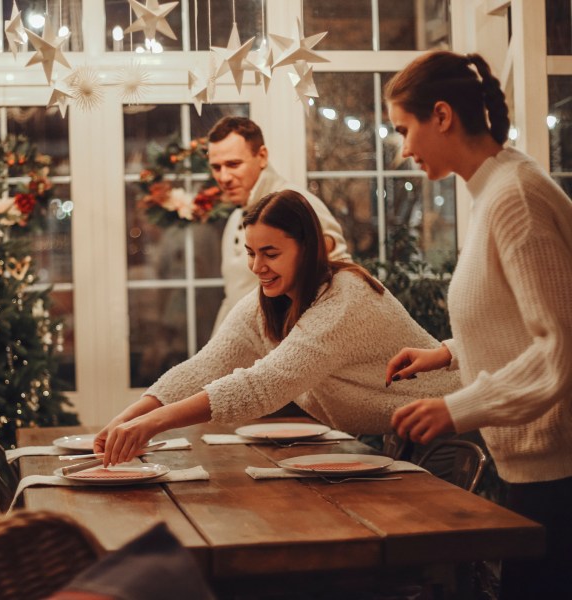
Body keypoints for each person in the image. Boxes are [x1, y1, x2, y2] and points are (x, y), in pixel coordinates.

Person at [383, 50, 572, 599]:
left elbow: (560, 346)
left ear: (442, 115)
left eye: (405, 129)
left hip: (559, 478)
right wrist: (447, 353)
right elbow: (515, 315)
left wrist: (455, 408)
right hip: (535, 471)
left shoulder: (515, 196)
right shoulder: (494, 190)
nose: (404, 149)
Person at [95, 189, 460, 467]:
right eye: (251, 253)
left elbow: (263, 385)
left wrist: (154, 423)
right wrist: (128, 417)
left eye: (270, 254)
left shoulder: (345, 297)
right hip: (397, 433)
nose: (257, 266)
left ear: (308, 248)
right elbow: (205, 366)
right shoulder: (267, 301)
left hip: (451, 430)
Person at [207, 117, 350, 332]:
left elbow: (339, 279)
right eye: (216, 167)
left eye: (233, 164)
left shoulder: (297, 204)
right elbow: (233, 300)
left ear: (262, 156)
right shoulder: (234, 220)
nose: (224, 177)